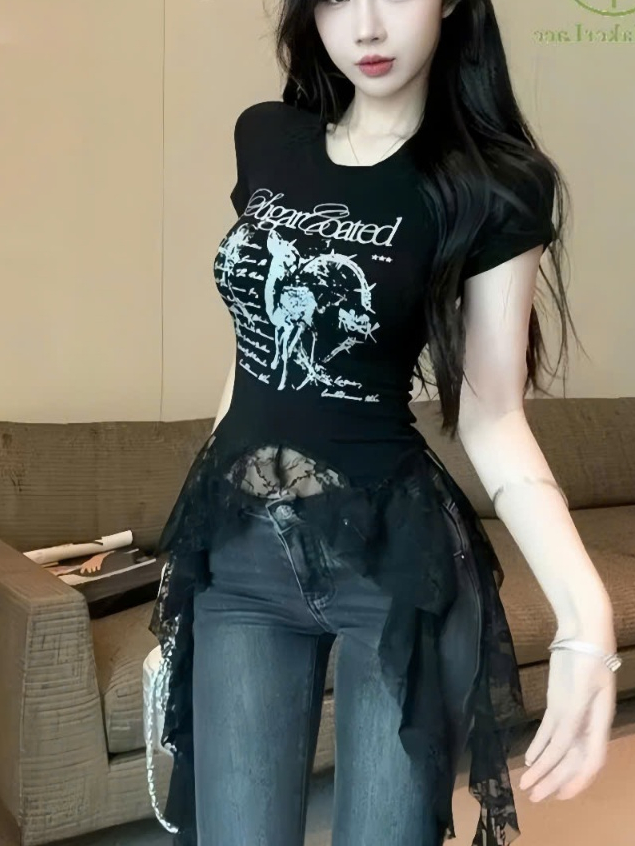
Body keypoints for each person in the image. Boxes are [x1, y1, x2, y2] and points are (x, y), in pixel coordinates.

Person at [146, 1, 622, 844]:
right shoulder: (267, 139)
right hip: (243, 560)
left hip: (392, 566)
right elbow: (251, 360)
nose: (365, 26)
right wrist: (186, 560)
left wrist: (587, 618)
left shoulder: (493, 184)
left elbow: (492, 416)